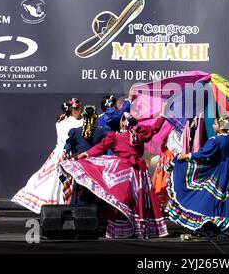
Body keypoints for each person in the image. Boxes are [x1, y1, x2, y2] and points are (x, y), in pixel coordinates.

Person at [60, 109, 168, 239]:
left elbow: (100, 148)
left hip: (125, 170)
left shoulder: (116, 137)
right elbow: (155, 128)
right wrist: (162, 115)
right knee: (137, 198)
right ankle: (139, 227)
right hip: (139, 171)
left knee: (121, 198)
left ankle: (124, 227)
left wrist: (83, 155)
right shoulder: (139, 133)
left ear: (122, 124)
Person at [166, 116, 229, 235]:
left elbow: (203, 154)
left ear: (221, 127)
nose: (213, 126)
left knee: (209, 196)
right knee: (225, 196)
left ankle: (209, 222)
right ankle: (225, 223)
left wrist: (186, 156)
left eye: (215, 124)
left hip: (218, 170)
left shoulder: (215, 141)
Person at [12, 98, 83, 213]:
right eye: (77, 109)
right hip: (64, 152)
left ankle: (68, 202)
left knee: (70, 180)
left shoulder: (81, 120)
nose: (79, 111)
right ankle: (57, 203)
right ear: (72, 109)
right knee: (56, 179)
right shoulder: (63, 122)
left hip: (75, 152)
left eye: (80, 109)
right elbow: (64, 139)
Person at [62, 105, 106, 205]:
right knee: (94, 191)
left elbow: (68, 147)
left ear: (84, 117)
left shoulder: (76, 131)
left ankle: (76, 211)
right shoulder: (101, 131)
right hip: (95, 168)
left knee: (78, 190)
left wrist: (67, 154)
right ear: (95, 117)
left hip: (80, 167)